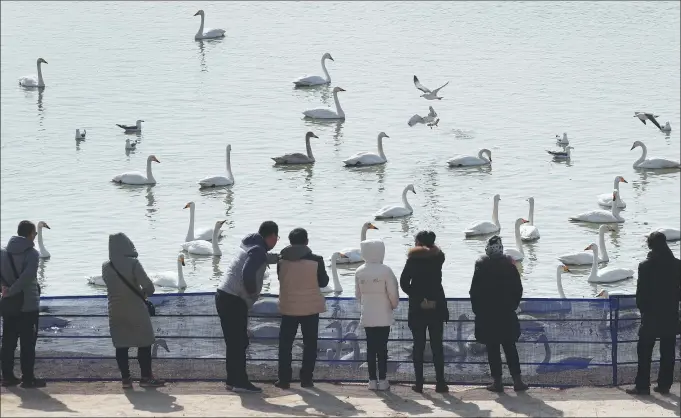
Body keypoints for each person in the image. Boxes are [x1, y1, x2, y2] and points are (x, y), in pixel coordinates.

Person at [216, 221, 280, 393]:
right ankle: (240, 382)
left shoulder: (251, 246)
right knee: (239, 342)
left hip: (223, 295)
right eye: (277, 238)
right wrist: (252, 293)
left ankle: (232, 380)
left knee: (234, 342)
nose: (277, 241)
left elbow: (261, 258)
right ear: (272, 236)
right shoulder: (258, 251)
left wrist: (279, 257)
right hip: (234, 300)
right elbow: (248, 272)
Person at [101, 232, 165, 388]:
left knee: (121, 345)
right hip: (136, 310)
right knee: (144, 343)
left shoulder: (106, 266)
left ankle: (126, 380)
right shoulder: (134, 263)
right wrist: (143, 294)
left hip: (115, 311)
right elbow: (149, 287)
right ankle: (145, 378)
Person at [469, 235, 528, 393]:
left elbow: (474, 292)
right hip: (507, 314)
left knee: (493, 349)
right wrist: (512, 306)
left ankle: (497, 382)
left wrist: (478, 311)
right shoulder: (510, 266)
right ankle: (517, 381)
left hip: (487, 316)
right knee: (510, 347)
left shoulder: (481, 265)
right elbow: (518, 289)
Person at [626, 231, 680, 396]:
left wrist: (644, 311)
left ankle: (643, 386)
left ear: (650, 246)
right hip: (671, 316)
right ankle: (664, 385)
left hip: (650, 317)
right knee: (668, 352)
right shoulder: (678, 265)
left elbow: (640, 294)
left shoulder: (645, 266)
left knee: (644, 352)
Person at [274, 227, 329, 389]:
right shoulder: (316, 260)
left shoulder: (281, 261)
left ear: (290, 242)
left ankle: (284, 380)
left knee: (285, 345)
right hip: (310, 308)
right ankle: (306, 379)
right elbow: (324, 282)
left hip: (288, 307)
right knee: (310, 344)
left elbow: (280, 278)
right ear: (306, 242)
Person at [400, 230, 449, 394]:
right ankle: (440, 383)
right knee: (437, 346)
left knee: (418, 346)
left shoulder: (413, 260)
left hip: (418, 308)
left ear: (419, 243)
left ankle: (419, 383)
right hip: (437, 306)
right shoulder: (439, 258)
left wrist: (417, 297)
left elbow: (404, 282)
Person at [0, 220, 44, 388]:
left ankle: (7, 376)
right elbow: (26, 279)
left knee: (8, 342)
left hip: (8, 305)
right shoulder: (32, 254)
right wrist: (11, 290)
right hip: (27, 305)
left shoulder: (3, 252)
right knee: (27, 343)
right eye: (35, 234)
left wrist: (4, 289)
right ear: (31, 234)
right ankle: (27, 378)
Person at [355, 238, 399, 391]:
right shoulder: (385, 270)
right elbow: (393, 293)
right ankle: (383, 380)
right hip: (383, 314)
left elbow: (358, 295)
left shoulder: (359, 271)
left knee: (370, 348)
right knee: (382, 348)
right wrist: (393, 305)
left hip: (367, 314)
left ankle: (371, 380)